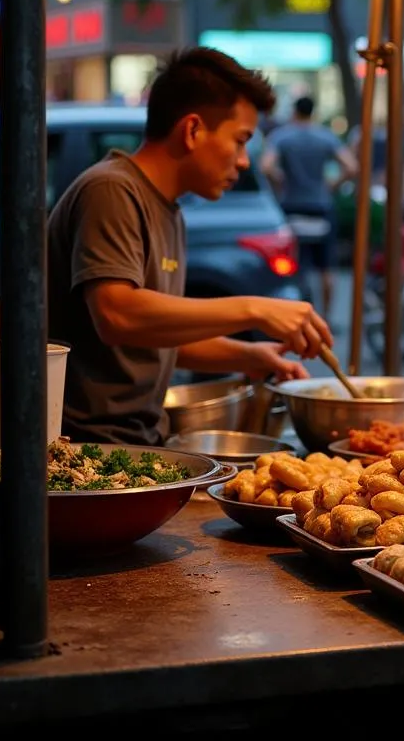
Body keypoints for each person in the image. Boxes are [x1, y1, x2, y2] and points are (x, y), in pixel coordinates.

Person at [48, 48, 332, 447]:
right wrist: (257, 309)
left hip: (139, 441)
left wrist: (249, 357)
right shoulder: (111, 190)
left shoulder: (169, 211)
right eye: (240, 141)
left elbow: (156, 334)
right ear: (193, 129)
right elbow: (117, 315)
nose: (245, 161)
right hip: (82, 449)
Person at [261, 95, 358, 318]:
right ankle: (326, 317)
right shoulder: (325, 137)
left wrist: (281, 181)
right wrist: (330, 186)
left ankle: (292, 315)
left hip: (292, 207)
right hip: (321, 207)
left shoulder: (282, 136)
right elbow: (351, 167)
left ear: (294, 112)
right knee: (326, 268)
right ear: (313, 112)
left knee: (292, 265)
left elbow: (266, 166)